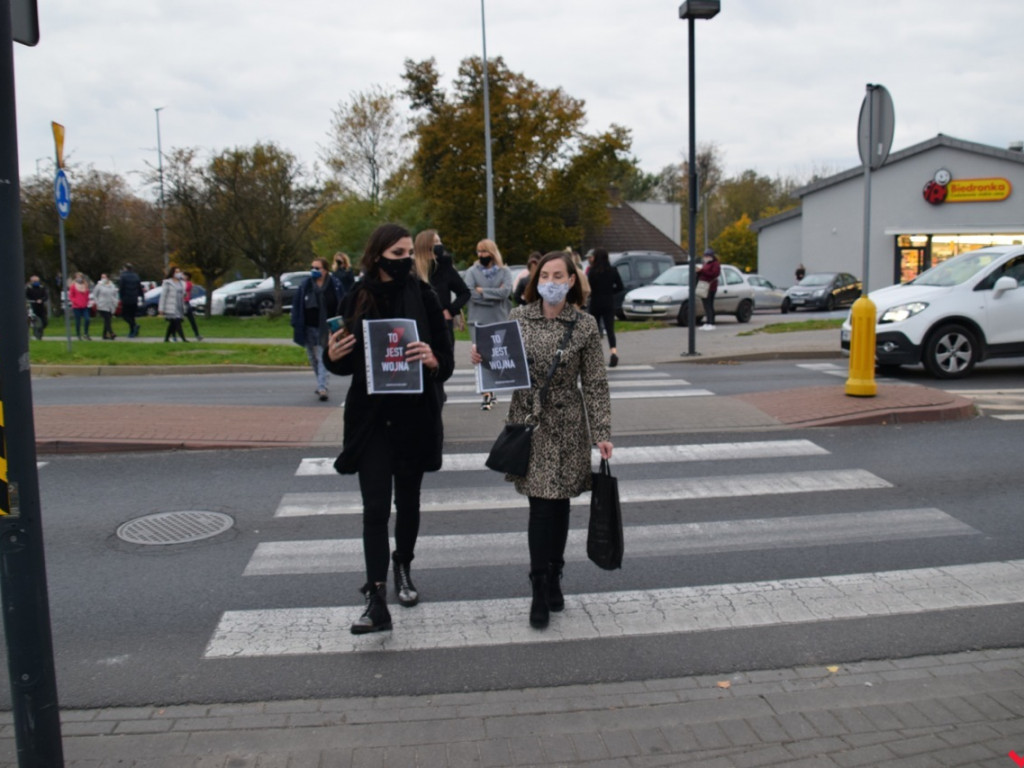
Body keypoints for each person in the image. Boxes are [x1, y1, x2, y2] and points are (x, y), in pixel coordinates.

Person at [470, 250, 613, 630]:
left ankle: (554, 575)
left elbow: (595, 383)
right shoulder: (519, 318)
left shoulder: (583, 325)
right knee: (540, 507)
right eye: (545, 275)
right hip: (530, 422)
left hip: (567, 424)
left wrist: (602, 433)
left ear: (571, 281)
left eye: (558, 276)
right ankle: (538, 584)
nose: (551, 281)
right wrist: (482, 359)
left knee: (560, 504)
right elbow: (501, 369)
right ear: (537, 280)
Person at [323, 223, 454, 635]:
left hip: (414, 417)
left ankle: (403, 566)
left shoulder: (425, 295)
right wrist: (332, 355)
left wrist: (432, 359)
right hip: (373, 421)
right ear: (377, 255)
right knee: (375, 509)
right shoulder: (357, 296)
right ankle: (376, 597)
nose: (404, 261)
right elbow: (345, 364)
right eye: (397, 254)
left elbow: (446, 361)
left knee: (408, 502)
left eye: (408, 254)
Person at [464, 239, 512, 410]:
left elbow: (506, 292)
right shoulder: (471, 271)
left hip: (499, 319)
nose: (481, 255)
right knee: (480, 357)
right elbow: (470, 293)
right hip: (477, 320)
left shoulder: (504, 271)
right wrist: (493, 296)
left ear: (492, 252)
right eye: (479, 251)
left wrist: (483, 291)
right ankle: (486, 393)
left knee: (496, 356)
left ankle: (493, 389)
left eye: (484, 251)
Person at [291, 256, 345, 401]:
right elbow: (297, 305)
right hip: (308, 327)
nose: (314, 270)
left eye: (317, 268)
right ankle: (320, 382)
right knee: (313, 357)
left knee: (322, 356)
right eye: (312, 268)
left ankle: (322, 387)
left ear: (325, 270)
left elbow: (341, 302)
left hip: (326, 327)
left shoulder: (334, 284)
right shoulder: (306, 285)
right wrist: (295, 322)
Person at [413, 229, 470, 352]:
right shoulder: (412, 270)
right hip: (419, 324)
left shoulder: (445, 267)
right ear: (425, 245)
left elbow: (465, 292)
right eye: (435, 242)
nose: (439, 245)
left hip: (442, 326)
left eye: (439, 241)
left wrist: (451, 311)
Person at [585, 248, 625, 367]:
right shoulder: (613, 270)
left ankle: (595, 356)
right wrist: (610, 291)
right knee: (610, 330)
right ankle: (613, 353)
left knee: (595, 330)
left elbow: (589, 288)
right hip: (608, 303)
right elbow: (620, 287)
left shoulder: (592, 271)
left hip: (595, 303)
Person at [159, 265, 189, 342]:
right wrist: (161, 308)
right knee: (177, 322)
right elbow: (163, 296)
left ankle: (166, 339)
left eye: (179, 272)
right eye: (176, 272)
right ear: (172, 273)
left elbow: (183, 293)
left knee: (173, 324)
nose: (178, 273)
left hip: (179, 305)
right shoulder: (168, 282)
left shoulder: (182, 283)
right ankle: (184, 339)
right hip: (171, 306)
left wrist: (184, 294)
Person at [697, 247, 721, 330]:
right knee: (706, 305)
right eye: (705, 256)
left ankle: (711, 323)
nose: (706, 257)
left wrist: (702, 271)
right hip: (704, 286)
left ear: (711, 256)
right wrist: (699, 271)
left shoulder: (715, 264)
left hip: (710, 287)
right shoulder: (706, 264)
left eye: (707, 256)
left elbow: (714, 274)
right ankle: (707, 322)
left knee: (709, 305)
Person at [118, 263, 143, 337]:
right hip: (134, 298)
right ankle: (133, 331)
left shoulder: (123, 276)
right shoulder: (136, 276)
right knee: (132, 315)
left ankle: (134, 325)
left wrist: (120, 297)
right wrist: (141, 296)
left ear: (125, 268)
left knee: (125, 315)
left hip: (126, 298)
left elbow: (121, 288)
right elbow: (139, 287)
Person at [93, 273, 119, 340]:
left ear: (107, 278)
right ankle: (111, 333)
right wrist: (97, 302)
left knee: (107, 319)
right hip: (102, 305)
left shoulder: (112, 285)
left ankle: (104, 335)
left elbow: (115, 294)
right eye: (102, 277)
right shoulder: (99, 285)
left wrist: (115, 301)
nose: (103, 279)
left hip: (110, 305)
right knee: (107, 319)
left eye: (104, 277)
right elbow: (95, 294)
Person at [68, 272, 92, 340]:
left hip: (84, 306)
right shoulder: (73, 286)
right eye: (78, 277)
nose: (79, 278)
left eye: (80, 277)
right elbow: (71, 296)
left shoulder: (85, 285)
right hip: (76, 306)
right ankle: (78, 334)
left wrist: (86, 301)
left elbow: (87, 294)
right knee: (78, 321)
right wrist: (75, 302)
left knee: (87, 319)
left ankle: (86, 333)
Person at [26, 275, 49, 341]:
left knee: (44, 322)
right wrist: (32, 301)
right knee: (36, 321)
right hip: (33, 306)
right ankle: (37, 334)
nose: (36, 282)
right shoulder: (29, 288)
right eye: (34, 281)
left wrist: (41, 300)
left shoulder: (42, 287)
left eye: (37, 281)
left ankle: (39, 331)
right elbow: (26, 296)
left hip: (41, 307)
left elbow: (46, 296)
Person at [182, 272, 204, 341]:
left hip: (186, 302)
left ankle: (197, 334)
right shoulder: (180, 283)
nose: (183, 277)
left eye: (184, 276)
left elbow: (185, 289)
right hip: (180, 302)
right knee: (177, 321)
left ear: (187, 277)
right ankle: (174, 335)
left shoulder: (188, 284)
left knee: (192, 319)